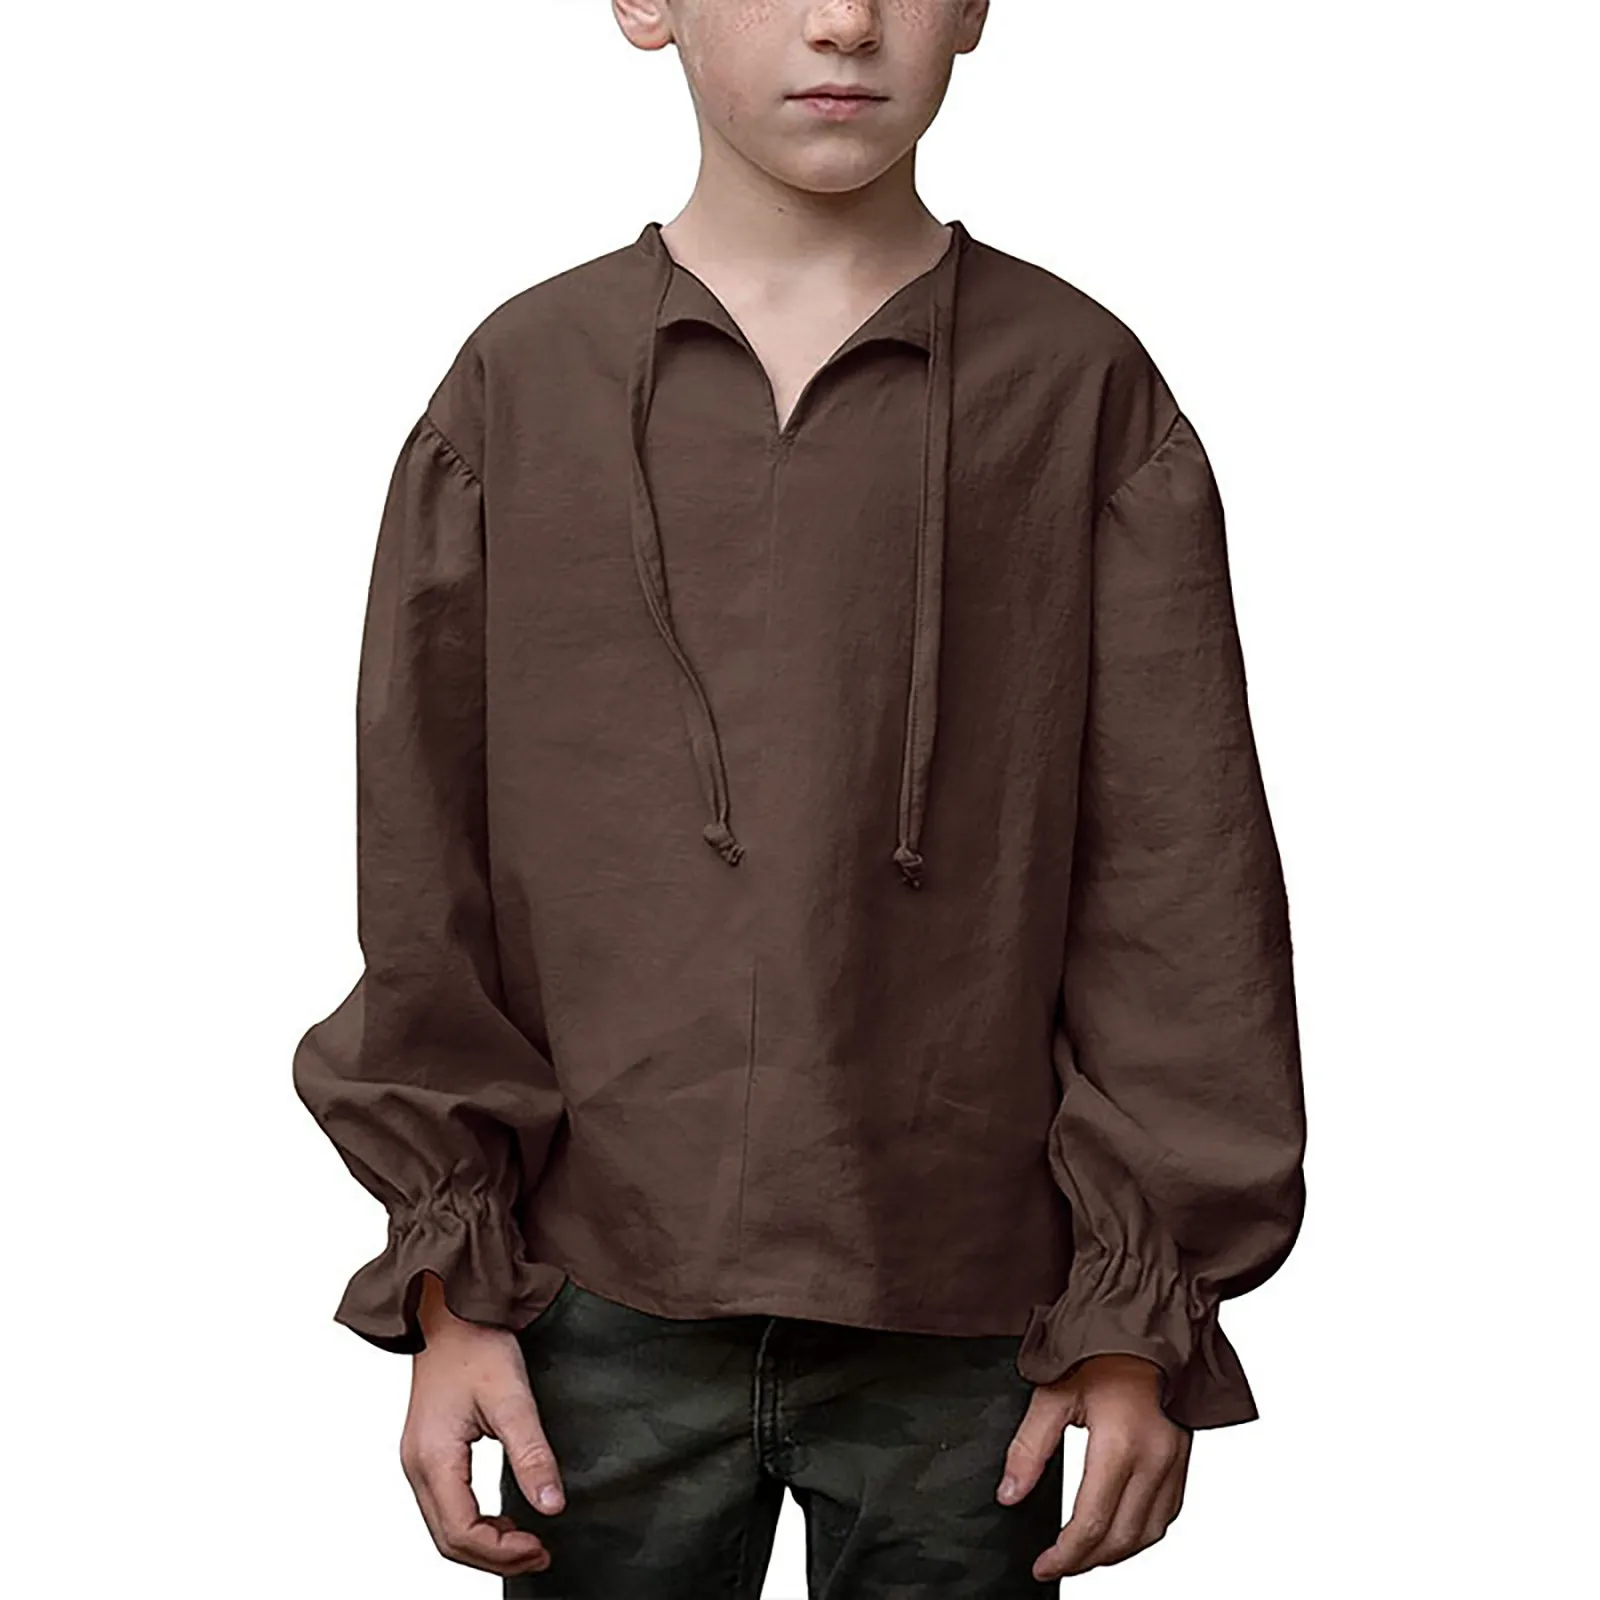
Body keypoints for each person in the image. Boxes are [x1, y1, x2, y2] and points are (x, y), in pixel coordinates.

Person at [291, 1, 1308, 1594]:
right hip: (587, 1301)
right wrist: (450, 1284)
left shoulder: (1081, 386)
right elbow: (426, 872)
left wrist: (1140, 1308)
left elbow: (1181, 886)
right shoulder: (522, 384)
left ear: (974, 9)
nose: (843, 19)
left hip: (983, 1318)